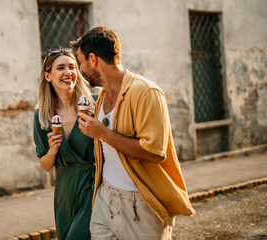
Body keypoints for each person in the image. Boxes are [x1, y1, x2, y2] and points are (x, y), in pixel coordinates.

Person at [71, 26, 195, 239]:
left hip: (141, 205)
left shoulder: (146, 92)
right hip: (104, 201)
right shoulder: (100, 98)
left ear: (93, 59)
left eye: (81, 61)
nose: (80, 69)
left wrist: (103, 134)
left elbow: (155, 153)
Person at [33, 48, 95, 240]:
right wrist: (52, 150)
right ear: (48, 76)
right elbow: (45, 166)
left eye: (72, 67)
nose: (68, 73)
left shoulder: (94, 104)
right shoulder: (42, 116)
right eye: (61, 68)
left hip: (93, 186)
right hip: (64, 194)